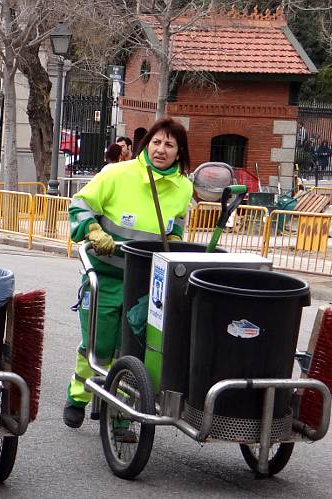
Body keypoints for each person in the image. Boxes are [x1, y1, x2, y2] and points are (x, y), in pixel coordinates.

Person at [63, 117, 194, 432]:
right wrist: (92, 230)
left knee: (132, 352)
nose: (161, 149)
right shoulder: (116, 174)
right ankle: (78, 396)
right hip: (106, 276)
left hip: (148, 283)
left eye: (170, 145)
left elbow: (176, 228)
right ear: (147, 143)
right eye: (157, 142)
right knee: (100, 344)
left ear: (179, 152)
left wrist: (174, 249)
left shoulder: (183, 188)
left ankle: (120, 416)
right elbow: (79, 204)